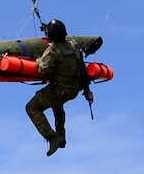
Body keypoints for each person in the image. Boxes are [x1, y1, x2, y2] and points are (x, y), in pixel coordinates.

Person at [24, 19, 93, 156]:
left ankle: (52, 137)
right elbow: (82, 69)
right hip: (73, 90)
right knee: (57, 104)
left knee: (32, 108)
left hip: (60, 90)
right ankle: (61, 137)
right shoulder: (74, 46)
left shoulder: (52, 51)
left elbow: (44, 70)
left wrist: (38, 61)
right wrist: (87, 91)